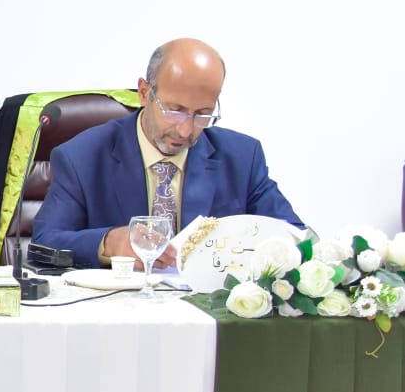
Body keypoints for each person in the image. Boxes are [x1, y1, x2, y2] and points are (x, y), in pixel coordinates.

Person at [32, 38, 302, 268]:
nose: (185, 130)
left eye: (202, 114)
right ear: (144, 93)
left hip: (205, 307)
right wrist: (108, 243)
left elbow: (296, 238)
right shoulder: (82, 157)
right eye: (175, 110)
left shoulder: (242, 158)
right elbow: (44, 243)